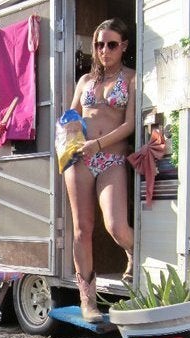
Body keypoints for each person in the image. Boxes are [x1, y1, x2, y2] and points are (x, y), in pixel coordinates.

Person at [64, 17, 135, 322]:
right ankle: (87, 300)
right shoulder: (84, 82)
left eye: (111, 44)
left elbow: (130, 125)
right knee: (82, 230)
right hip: (79, 159)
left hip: (111, 158)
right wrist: (69, 143)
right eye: (99, 44)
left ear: (124, 46)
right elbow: (71, 117)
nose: (104, 50)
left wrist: (99, 144)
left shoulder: (132, 78)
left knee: (116, 225)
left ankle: (136, 258)